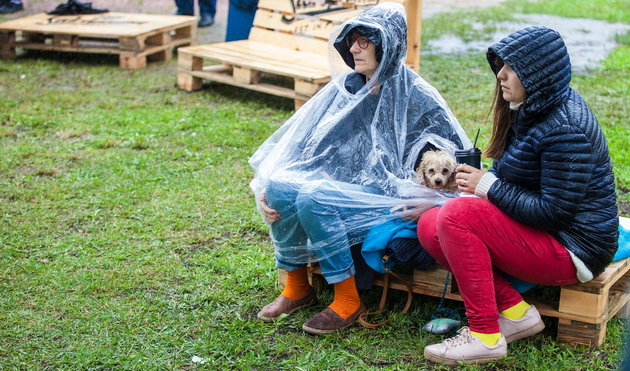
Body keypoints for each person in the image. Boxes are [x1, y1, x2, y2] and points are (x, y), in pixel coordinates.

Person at [250, 2, 471, 335]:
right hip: (343, 186)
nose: (353, 48)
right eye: (351, 40)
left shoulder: (418, 96)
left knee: (314, 196)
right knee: (282, 184)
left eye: (364, 40)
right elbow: (305, 147)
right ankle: (297, 287)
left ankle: (347, 299)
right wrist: (269, 184)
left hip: (389, 194)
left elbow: (455, 162)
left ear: (388, 44)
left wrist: (431, 201)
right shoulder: (347, 88)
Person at [417, 26, 619, 365]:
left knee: (455, 216)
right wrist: (482, 185)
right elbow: (524, 180)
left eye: (511, 68)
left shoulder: (566, 127)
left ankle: (485, 336)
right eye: (499, 66)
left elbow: (553, 212)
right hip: (546, 233)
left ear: (537, 74)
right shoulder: (533, 108)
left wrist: (487, 186)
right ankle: (515, 312)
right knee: (429, 224)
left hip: (574, 247)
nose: (500, 75)